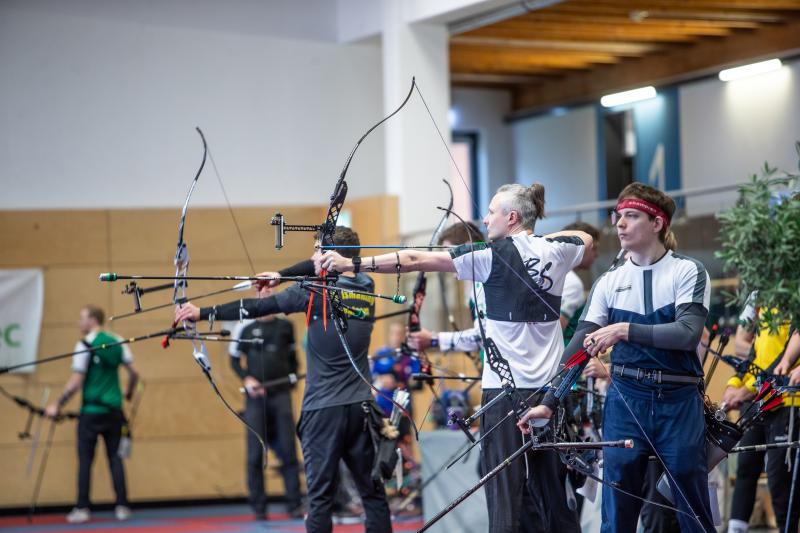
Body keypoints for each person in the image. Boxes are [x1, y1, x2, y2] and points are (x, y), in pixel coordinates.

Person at [317, 183, 593, 533]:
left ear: (511, 217)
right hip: (549, 396)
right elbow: (585, 238)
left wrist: (352, 263)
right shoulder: (560, 251)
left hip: (503, 397)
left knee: (504, 498)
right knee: (553, 496)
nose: (485, 219)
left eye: (491, 212)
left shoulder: (489, 255)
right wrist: (531, 238)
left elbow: (414, 259)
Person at [520, 182, 714, 532]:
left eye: (632, 216)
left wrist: (623, 330)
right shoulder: (609, 281)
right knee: (617, 509)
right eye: (618, 216)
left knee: (692, 507)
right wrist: (549, 401)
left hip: (679, 401)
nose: (620, 224)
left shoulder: (688, 270)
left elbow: (687, 334)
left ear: (657, 223)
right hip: (626, 400)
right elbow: (581, 344)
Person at [175, 227, 392, 533]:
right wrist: (281, 275)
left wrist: (201, 313)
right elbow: (316, 269)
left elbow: (257, 307)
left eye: (318, 251)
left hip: (323, 412)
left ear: (331, 257)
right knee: (373, 494)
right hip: (362, 409)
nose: (313, 257)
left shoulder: (313, 292)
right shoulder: (367, 285)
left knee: (320, 500)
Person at [45, 305, 139, 524]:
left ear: (93, 320)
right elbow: (134, 374)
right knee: (115, 459)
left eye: (82, 318)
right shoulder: (118, 341)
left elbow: (76, 381)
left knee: (86, 461)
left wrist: (57, 404)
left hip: (91, 412)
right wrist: (128, 393)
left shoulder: (84, 344)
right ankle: (122, 506)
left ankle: (82, 508)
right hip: (114, 411)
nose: (80, 323)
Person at [723, 299, 800, 533]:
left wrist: (744, 391)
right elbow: (751, 355)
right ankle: (736, 528)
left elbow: (780, 364)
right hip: (758, 399)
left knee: (780, 480)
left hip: (786, 400)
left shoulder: (792, 300)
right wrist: (734, 383)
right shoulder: (763, 303)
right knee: (745, 467)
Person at [229, 285, 303, 520]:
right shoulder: (245, 327)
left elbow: (293, 359)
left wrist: (290, 381)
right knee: (255, 454)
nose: (267, 298)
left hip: (280, 395)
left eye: (271, 294)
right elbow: (234, 361)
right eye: (263, 294)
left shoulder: (285, 326)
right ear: (257, 297)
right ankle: (259, 507)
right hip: (255, 399)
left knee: (289, 451)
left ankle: (294, 504)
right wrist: (247, 379)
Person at [559, 222, 600, 344]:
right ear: (579, 247)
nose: (596, 255)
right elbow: (556, 329)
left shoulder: (556, 273)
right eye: (594, 248)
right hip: (563, 351)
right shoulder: (572, 282)